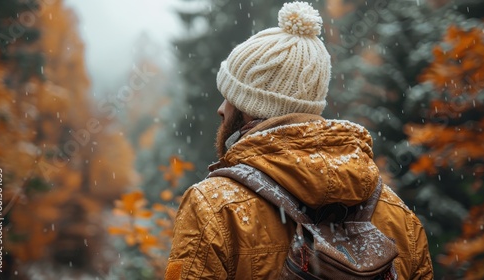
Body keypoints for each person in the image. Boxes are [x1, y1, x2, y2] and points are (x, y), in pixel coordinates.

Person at [165, 2, 433, 279]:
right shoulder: (398, 216)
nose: (221, 109)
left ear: (249, 106)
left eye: (230, 97)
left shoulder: (214, 206)